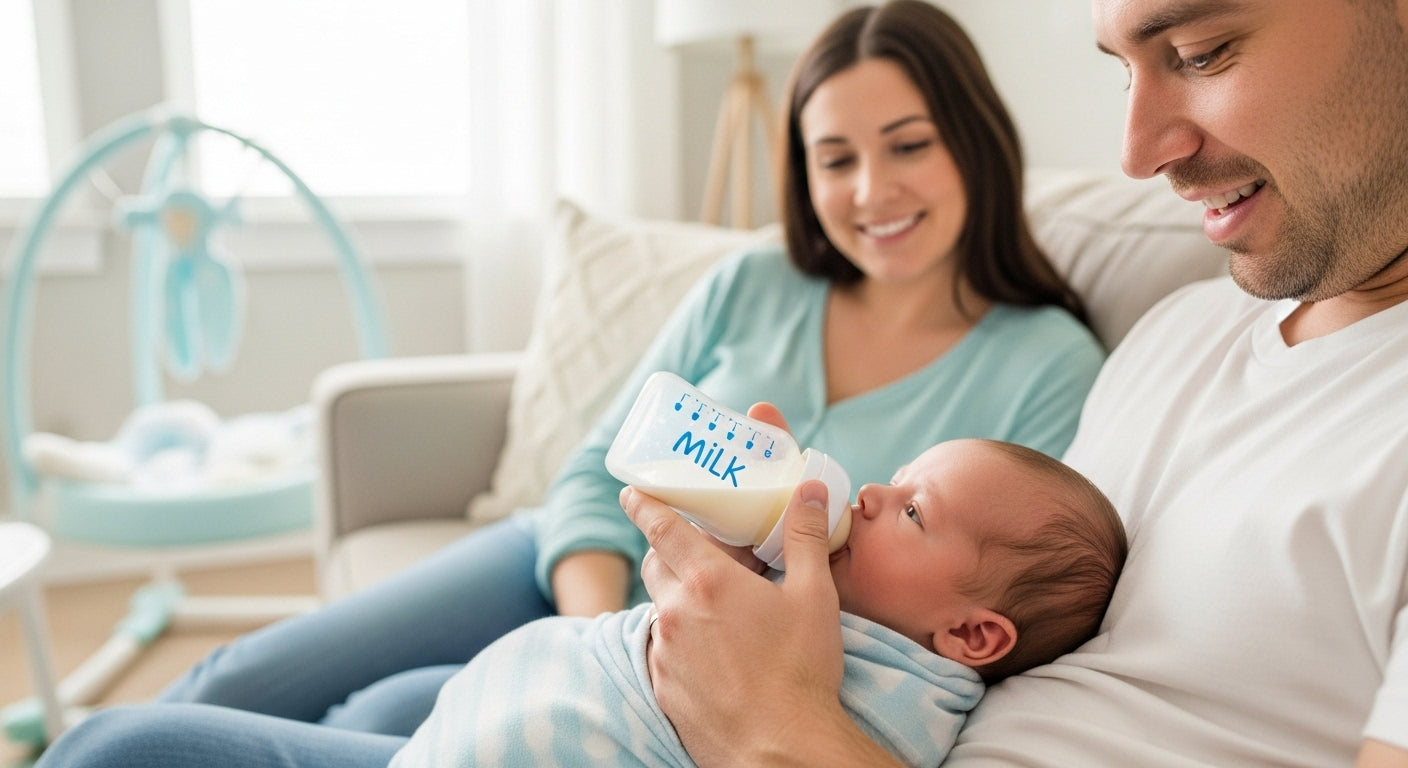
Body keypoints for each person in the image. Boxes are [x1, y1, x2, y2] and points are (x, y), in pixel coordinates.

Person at [30, 1, 1105, 765]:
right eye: (834, 158)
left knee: (391, 707)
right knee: (230, 682)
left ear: (974, 145)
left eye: (906, 145)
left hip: (711, 657)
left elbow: (993, 605)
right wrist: (601, 623)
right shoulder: (756, 281)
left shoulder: (1045, 360)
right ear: (804, 173)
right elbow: (598, 464)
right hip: (575, 573)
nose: (871, 190)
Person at [625, 0, 1408, 766]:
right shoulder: (1178, 334)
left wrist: (772, 726)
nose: (1136, 153)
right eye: (1124, 76)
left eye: (1202, 53)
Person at [387, 438, 1128, 768]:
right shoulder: (845, 605)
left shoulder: (900, 705)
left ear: (970, 634)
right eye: (898, 478)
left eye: (913, 512)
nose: (871, 494)